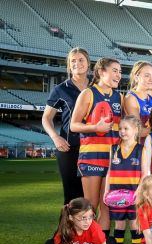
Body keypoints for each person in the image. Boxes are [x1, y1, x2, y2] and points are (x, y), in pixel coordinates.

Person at [70, 57, 123, 241]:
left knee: (107, 206)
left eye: (120, 71)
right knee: (90, 207)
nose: (119, 75)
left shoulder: (120, 97)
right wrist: (94, 128)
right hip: (91, 157)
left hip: (112, 160)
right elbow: (74, 125)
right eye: (114, 70)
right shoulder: (88, 94)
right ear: (101, 72)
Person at [42, 47, 89, 204]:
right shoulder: (61, 89)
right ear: (69, 65)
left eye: (81, 59)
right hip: (70, 147)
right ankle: (66, 229)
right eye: (73, 61)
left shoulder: (97, 87)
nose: (77, 63)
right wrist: (55, 137)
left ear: (88, 63)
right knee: (72, 196)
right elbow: (46, 118)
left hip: (94, 148)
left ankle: (90, 229)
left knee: (91, 197)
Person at [104, 115, 145, 244]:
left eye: (126, 128)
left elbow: (145, 173)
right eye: (120, 128)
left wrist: (139, 191)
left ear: (135, 130)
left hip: (134, 193)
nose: (122, 131)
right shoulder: (114, 148)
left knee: (135, 225)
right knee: (119, 225)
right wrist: (107, 191)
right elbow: (109, 171)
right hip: (116, 194)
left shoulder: (141, 149)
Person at [123, 61, 152, 141]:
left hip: (148, 147)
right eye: (147, 75)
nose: (151, 79)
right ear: (136, 77)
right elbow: (138, 131)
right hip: (135, 149)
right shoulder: (131, 98)